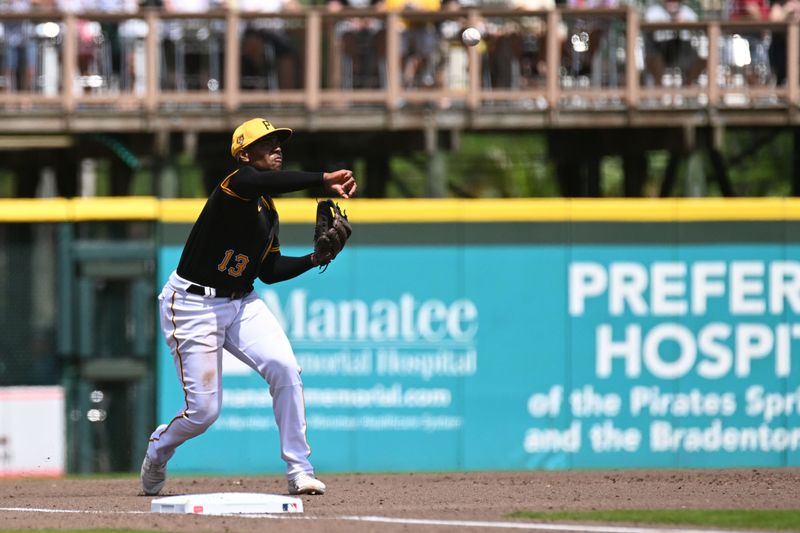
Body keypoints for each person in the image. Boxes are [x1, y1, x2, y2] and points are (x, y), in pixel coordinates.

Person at [140, 118, 357, 497]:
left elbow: (269, 271)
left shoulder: (267, 212)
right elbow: (260, 181)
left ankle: (299, 469)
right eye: (266, 143)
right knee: (203, 413)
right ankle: (158, 451)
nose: (277, 148)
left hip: (241, 301)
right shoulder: (236, 185)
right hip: (192, 304)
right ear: (244, 154)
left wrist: (313, 257)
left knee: (285, 366)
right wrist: (323, 179)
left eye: (278, 142)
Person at [643, 0, 705, 86]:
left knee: (701, 61)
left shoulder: (687, 12)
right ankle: (659, 89)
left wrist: (686, 22)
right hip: (660, 51)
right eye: (669, 1)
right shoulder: (654, 11)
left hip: (683, 51)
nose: (672, 3)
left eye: (675, 1)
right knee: (652, 59)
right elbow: (647, 25)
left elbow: (698, 26)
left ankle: (687, 87)